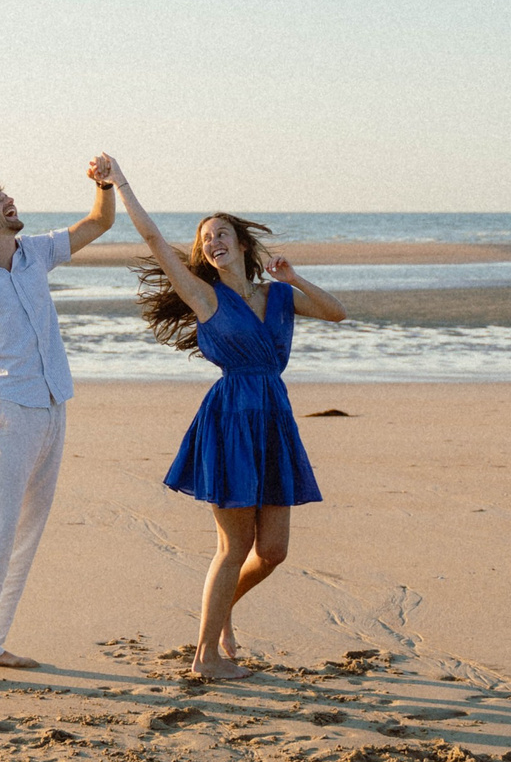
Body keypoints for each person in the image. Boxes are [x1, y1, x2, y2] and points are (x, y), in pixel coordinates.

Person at [101, 155, 345, 680]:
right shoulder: (203, 295)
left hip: (274, 419)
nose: (214, 241)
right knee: (234, 546)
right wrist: (121, 182)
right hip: (231, 418)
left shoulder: (278, 296)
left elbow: (335, 312)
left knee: (273, 550)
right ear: (204, 253)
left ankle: (221, 613)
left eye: (222, 233)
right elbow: (155, 242)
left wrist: (296, 277)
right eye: (206, 237)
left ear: (241, 242)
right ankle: (206, 656)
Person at [0, 161, 118, 688]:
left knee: (27, 531)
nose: (8, 202)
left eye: (6, 196)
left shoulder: (35, 251)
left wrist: (104, 183)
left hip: (54, 402)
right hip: (4, 409)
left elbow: (98, 223)